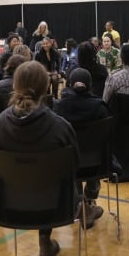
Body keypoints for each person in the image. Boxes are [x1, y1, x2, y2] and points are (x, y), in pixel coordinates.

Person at [0, 61, 78, 256]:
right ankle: (45, 240)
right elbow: (74, 166)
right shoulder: (60, 126)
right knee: (49, 182)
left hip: (7, 205)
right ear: (47, 87)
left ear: (14, 85)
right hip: (56, 206)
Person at [53, 68, 109, 229]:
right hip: (97, 163)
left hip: (69, 162)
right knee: (92, 154)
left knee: (73, 157)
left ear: (69, 84)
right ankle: (89, 199)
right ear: (90, 85)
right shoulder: (100, 107)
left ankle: (80, 205)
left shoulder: (58, 107)